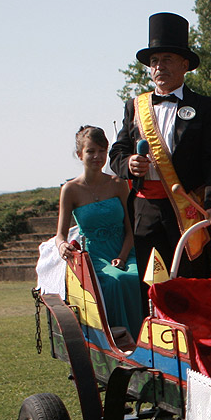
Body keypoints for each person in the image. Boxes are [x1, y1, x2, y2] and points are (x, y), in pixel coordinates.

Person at [110, 12, 211, 291]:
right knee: (151, 285)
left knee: (192, 281)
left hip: (188, 207)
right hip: (145, 210)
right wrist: (129, 164)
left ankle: (195, 334)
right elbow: (117, 152)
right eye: (154, 61)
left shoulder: (207, 107)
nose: (159, 67)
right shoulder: (135, 107)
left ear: (185, 65)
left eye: (167, 60)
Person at [56, 126, 142, 336]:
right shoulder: (70, 189)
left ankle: (146, 339)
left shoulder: (118, 184)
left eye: (102, 151)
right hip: (94, 258)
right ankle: (118, 340)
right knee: (114, 281)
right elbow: (60, 234)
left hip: (125, 252)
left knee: (139, 277)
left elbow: (132, 230)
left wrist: (122, 258)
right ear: (79, 154)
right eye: (91, 151)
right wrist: (62, 246)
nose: (97, 156)